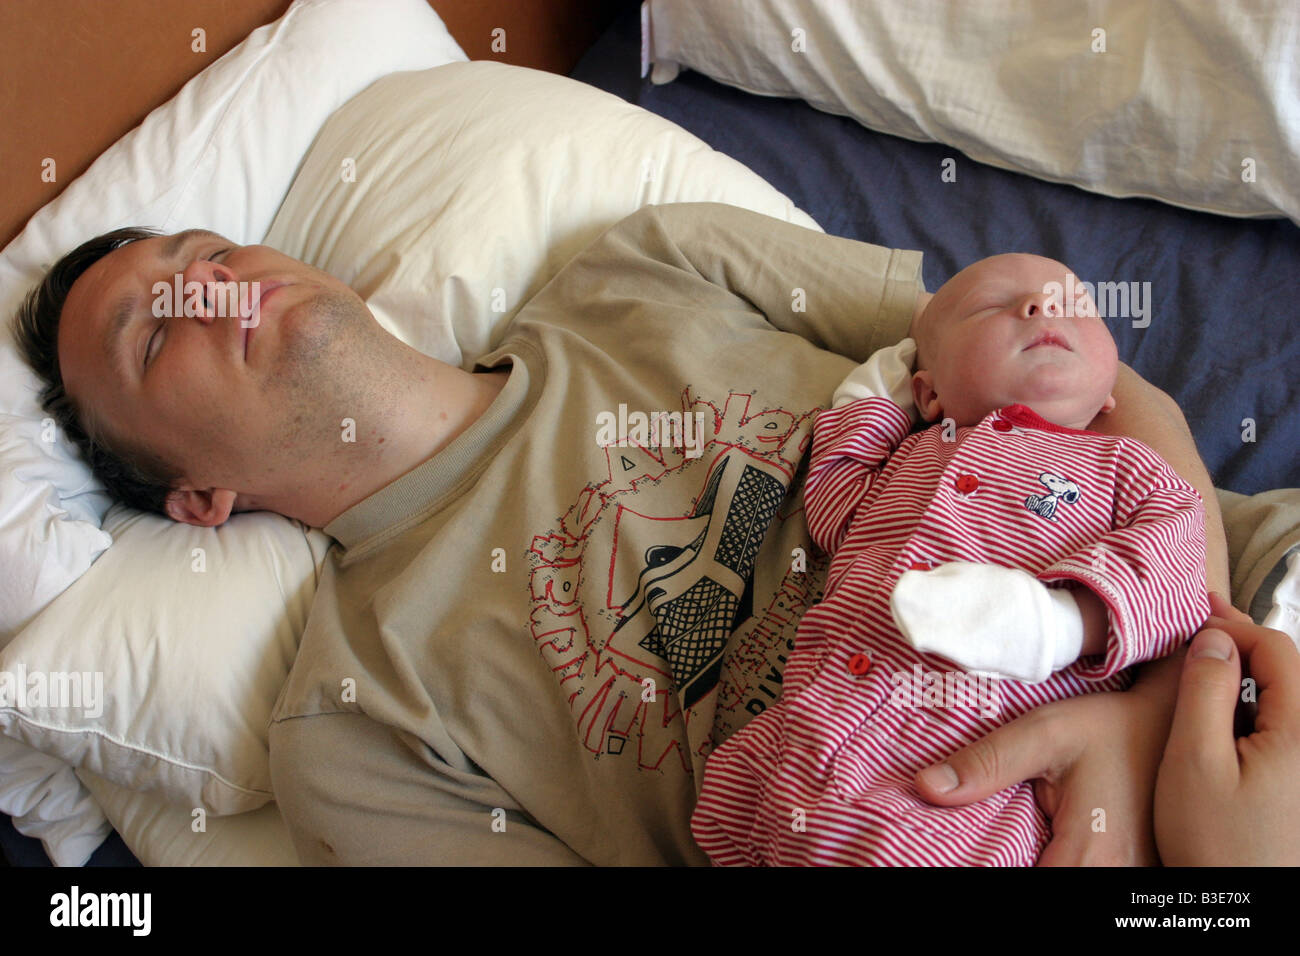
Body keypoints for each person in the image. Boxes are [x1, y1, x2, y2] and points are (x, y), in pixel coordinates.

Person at [12, 202, 1232, 864]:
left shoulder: (645, 265)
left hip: (1242, 629)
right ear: (197, 500)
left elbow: (1108, 385)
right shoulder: (356, 734)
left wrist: (1154, 716)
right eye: (156, 329)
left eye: (210, 252)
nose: (214, 285)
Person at [690, 254, 1210, 865]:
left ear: (1109, 397)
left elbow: (1176, 573)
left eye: (1074, 305)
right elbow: (834, 504)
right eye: (993, 305)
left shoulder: (1125, 468)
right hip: (798, 756)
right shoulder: (912, 457)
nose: (1041, 307)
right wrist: (875, 388)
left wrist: (1062, 623)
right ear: (929, 393)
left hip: (963, 793)